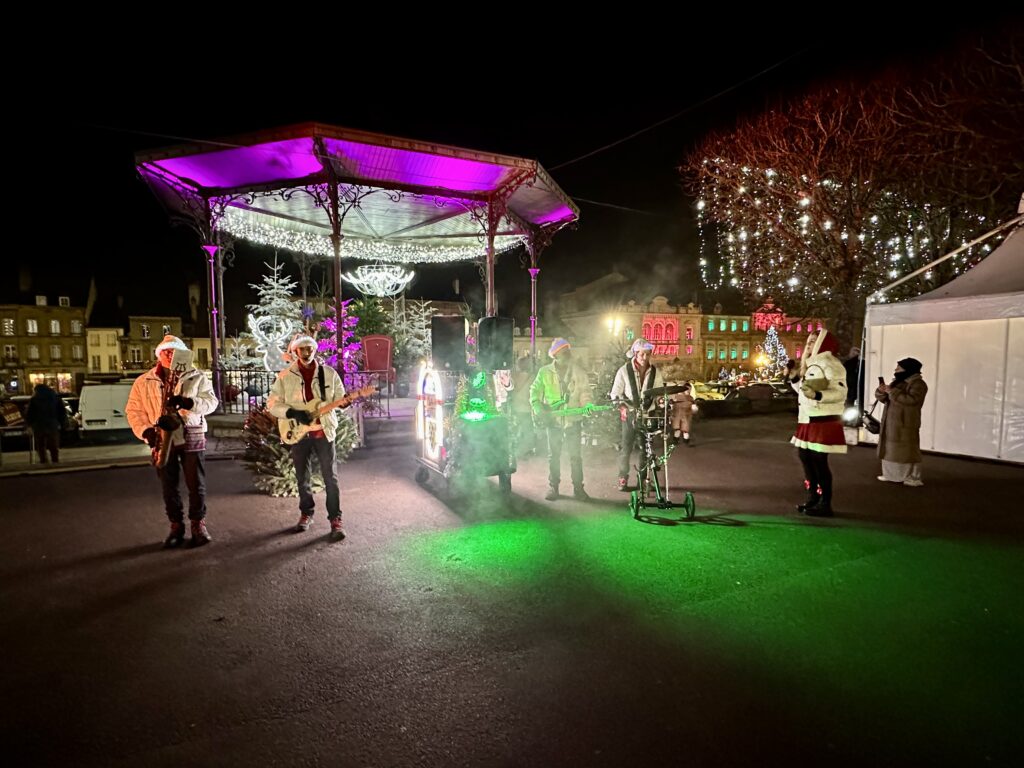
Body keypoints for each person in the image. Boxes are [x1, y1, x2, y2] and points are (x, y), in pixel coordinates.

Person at [126, 335, 218, 547]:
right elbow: (134, 411)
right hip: (162, 437)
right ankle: (176, 526)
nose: (169, 354)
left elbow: (211, 402)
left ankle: (198, 525)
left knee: (196, 484)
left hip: (191, 433)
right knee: (169, 486)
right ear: (159, 354)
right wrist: (146, 431)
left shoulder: (197, 376)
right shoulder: (144, 381)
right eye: (165, 351)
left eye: (174, 351)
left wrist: (188, 402)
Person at [267, 335, 347, 537]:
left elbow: (339, 397)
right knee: (302, 476)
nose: (306, 352)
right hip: (299, 433)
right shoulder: (285, 376)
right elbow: (273, 404)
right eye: (302, 349)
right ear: (295, 351)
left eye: (310, 348)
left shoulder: (329, 374)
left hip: (323, 431)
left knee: (331, 477)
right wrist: (292, 413)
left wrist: (344, 402)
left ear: (315, 350)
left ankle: (335, 519)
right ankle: (306, 513)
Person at [787, 330, 848, 517]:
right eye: (808, 341)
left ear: (823, 343)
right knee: (806, 459)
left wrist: (819, 395)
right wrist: (794, 378)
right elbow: (804, 392)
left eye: (813, 341)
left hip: (823, 420)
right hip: (808, 419)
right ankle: (813, 497)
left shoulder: (831, 364)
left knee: (819, 462)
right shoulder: (811, 364)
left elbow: (840, 392)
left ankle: (825, 502)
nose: (808, 344)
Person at [529, 338, 594, 501]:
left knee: (575, 456)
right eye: (564, 352)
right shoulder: (544, 372)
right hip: (554, 421)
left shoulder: (578, 372)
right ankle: (553, 487)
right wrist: (537, 406)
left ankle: (578, 489)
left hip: (573, 420)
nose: (568, 355)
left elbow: (585, 392)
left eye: (568, 351)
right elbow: (534, 391)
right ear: (556, 355)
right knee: (554, 455)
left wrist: (587, 405)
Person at [610, 338, 664, 491]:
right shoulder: (624, 370)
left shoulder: (655, 372)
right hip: (629, 416)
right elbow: (615, 393)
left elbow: (659, 391)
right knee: (626, 448)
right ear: (635, 353)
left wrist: (661, 401)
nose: (645, 358)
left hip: (647, 414)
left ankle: (643, 480)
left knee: (645, 449)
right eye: (642, 355)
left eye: (647, 354)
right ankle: (622, 479)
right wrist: (622, 406)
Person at [875, 357, 928, 487]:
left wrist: (892, 391)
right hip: (891, 422)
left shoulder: (918, 384)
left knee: (907, 450)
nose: (896, 370)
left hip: (906, 423)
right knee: (890, 449)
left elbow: (912, 400)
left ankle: (912, 477)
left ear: (908, 369)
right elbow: (885, 399)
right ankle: (890, 475)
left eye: (899, 368)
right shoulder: (898, 382)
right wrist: (881, 391)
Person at [26, 383, 66, 463]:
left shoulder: (34, 399)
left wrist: (29, 424)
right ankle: (55, 460)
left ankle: (43, 460)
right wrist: (62, 423)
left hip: (39, 425)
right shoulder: (55, 398)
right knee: (53, 444)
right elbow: (61, 412)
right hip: (52, 424)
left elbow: (30, 413)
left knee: (41, 445)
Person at [670, 381, 697, 446]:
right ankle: (678, 441)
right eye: (687, 389)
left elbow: (694, 408)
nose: (688, 391)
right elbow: (672, 405)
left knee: (683, 429)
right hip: (680, 415)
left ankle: (683, 441)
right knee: (678, 429)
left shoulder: (689, 398)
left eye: (689, 389)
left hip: (685, 415)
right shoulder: (677, 397)